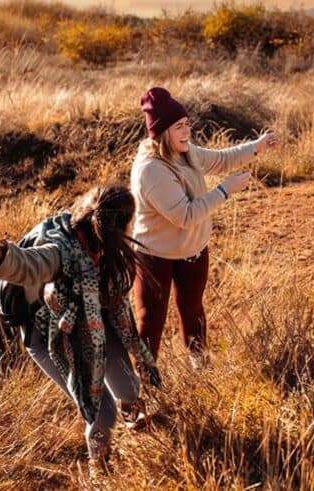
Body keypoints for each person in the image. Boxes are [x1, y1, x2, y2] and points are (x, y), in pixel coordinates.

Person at [0, 184, 160, 467]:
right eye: (132, 220)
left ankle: (131, 418)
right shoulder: (62, 249)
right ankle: (101, 468)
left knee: (129, 385)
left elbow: (114, 304)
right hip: (50, 332)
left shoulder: (108, 248)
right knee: (102, 411)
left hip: (94, 317)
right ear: (120, 226)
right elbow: (29, 265)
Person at [129, 87, 282, 367]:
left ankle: (201, 369)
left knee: (193, 311)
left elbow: (221, 159)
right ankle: (141, 386)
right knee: (151, 321)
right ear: (161, 132)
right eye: (179, 127)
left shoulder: (185, 151)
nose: (186, 131)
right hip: (155, 256)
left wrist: (257, 146)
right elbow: (185, 216)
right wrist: (224, 190)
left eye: (187, 124)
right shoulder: (151, 170)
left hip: (192, 251)